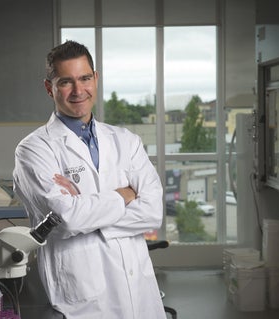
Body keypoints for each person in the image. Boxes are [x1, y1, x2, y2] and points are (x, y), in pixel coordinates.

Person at [13, 40, 166, 319]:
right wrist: (123, 195)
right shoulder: (33, 149)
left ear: (95, 79)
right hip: (82, 294)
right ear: (50, 88)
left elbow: (153, 213)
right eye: (66, 82)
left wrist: (87, 211)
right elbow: (65, 219)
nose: (78, 90)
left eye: (85, 78)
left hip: (137, 286)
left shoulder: (126, 141)